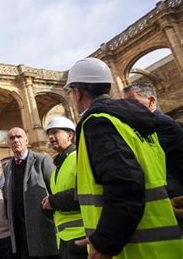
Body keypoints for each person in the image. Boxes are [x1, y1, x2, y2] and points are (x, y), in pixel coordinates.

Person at [65, 57, 181, 258]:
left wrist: (105, 242)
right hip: (166, 238)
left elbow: (125, 183)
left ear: (77, 93)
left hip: (133, 247)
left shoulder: (99, 121)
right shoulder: (139, 121)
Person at [3, 127, 59, 259]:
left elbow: (55, 190)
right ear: (8, 144)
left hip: (41, 227)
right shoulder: (7, 168)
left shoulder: (42, 161)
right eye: (12, 138)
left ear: (27, 140)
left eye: (19, 136)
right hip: (19, 231)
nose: (16, 140)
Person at [122, 83, 183, 198]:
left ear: (151, 100)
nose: (128, 106)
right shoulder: (148, 125)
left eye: (133, 101)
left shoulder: (162, 123)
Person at [41, 117, 87, 259]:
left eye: (55, 132)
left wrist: (53, 201)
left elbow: (84, 194)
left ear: (70, 135)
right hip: (64, 240)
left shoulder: (79, 157)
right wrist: (48, 205)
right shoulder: (57, 168)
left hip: (83, 237)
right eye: (49, 134)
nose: (51, 137)